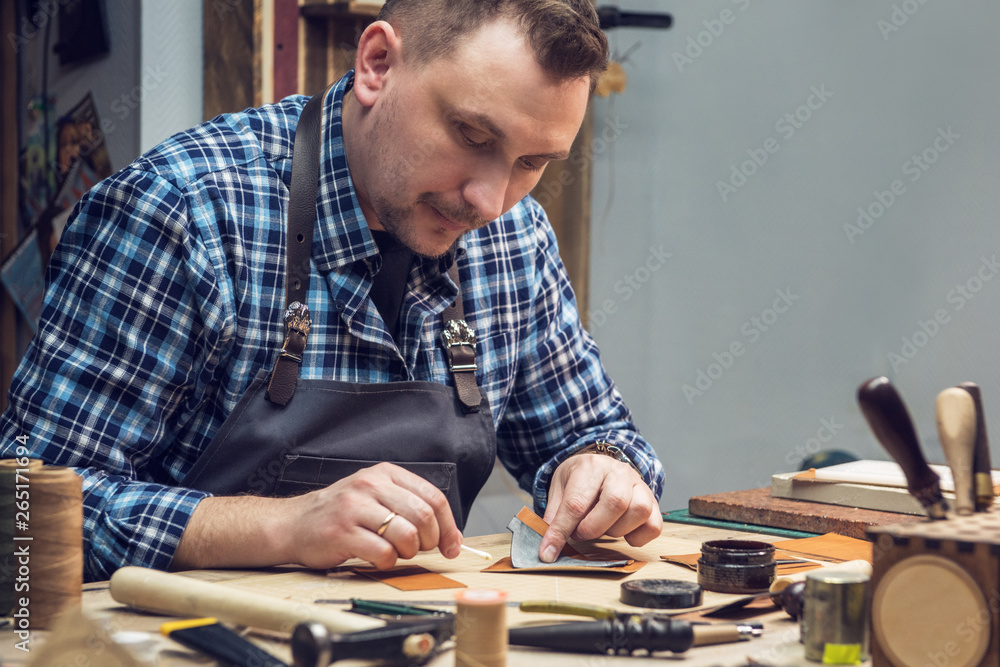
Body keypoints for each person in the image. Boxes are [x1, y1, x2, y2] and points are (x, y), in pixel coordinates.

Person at [0, 0, 665, 582]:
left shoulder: (513, 238)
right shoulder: (181, 213)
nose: (490, 199)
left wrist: (603, 470)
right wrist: (281, 528)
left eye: (531, 162)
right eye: (472, 134)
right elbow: (25, 511)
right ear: (377, 62)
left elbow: (598, 435)